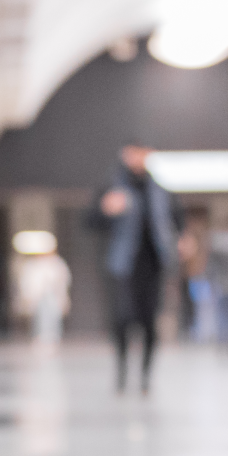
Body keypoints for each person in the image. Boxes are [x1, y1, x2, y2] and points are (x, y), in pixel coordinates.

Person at [88, 143, 181, 393]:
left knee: (149, 322)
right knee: (122, 319)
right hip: (123, 265)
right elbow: (90, 221)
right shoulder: (112, 187)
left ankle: (145, 377)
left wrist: (180, 241)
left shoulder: (160, 190)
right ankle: (121, 372)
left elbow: (177, 220)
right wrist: (105, 210)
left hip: (153, 264)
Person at [13, 244, 71, 347]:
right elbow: (27, 281)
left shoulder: (56, 263)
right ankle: (40, 337)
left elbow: (63, 279)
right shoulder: (32, 265)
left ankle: (52, 338)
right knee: (38, 318)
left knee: (53, 317)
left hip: (52, 295)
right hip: (37, 296)